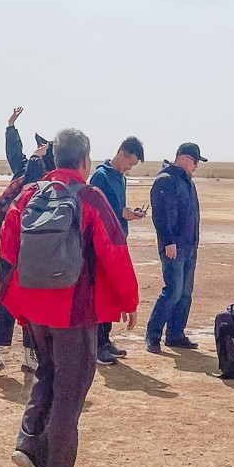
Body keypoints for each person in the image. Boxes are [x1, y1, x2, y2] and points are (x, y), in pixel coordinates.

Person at [0, 128, 139, 467]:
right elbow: (114, 249)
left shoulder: (31, 193)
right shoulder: (88, 196)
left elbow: (6, 244)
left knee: (46, 373)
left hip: (33, 309)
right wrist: (129, 299)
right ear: (84, 160)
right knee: (70, 390)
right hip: (73, 312)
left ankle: (28, 444)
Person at [0, 107, 41, 379]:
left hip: (32, 248)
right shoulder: (29, 169)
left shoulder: (48, 174)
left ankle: (30, 354)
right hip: (11, 246)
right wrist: (11, 127)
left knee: (29, 301)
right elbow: (16, 155)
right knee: (4, 298)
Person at [89, 136, 146, 363]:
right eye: (128, 163)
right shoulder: (100, 176)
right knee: (100, 294)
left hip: (117, 240)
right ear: (120, 153)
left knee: (112, 292)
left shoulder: (120, 178)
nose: (128, 168)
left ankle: (105, 339)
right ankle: (96, 344)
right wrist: (121, 212)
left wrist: (127, 213)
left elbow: (116, 207)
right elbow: (96, 205)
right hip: (101, 243)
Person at [145, 142, 205, 354]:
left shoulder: (187, 182)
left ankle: (176, 334)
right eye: (195, 161)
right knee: (172, 291)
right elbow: (161, 215)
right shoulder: (166, 180)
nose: (196, 166)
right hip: (174, 248)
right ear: (184, 158)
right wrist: (168, 241)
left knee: (185, 293)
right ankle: (153, 335)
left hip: (189, 247)